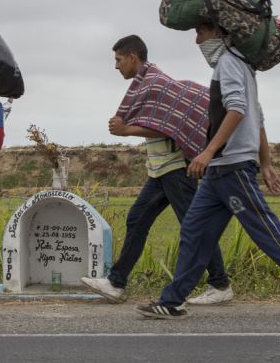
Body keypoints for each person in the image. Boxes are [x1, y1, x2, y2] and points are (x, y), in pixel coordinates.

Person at [137, 22, 280, 321]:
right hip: (220, 171)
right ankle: (172, 301)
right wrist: (265, 162)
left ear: (218, 32)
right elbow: (259, 114)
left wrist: (209, 150)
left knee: (265, 229)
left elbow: (239, 108)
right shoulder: (241, 64)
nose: (197, 41)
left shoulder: (228, 63)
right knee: (194, 230)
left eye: (200, 33)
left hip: (232, 167)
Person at [81, 35, 234, 306]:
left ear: (133, 57)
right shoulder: (145, 85)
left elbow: (168, 126)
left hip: (175, 168)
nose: (116, 66)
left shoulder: (155, 83)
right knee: (137, 219)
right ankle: (116, 282)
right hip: (160, 169)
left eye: (118, 60)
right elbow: (160, 121)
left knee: (193, 226)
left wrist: (127, 130)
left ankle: (220, 283)